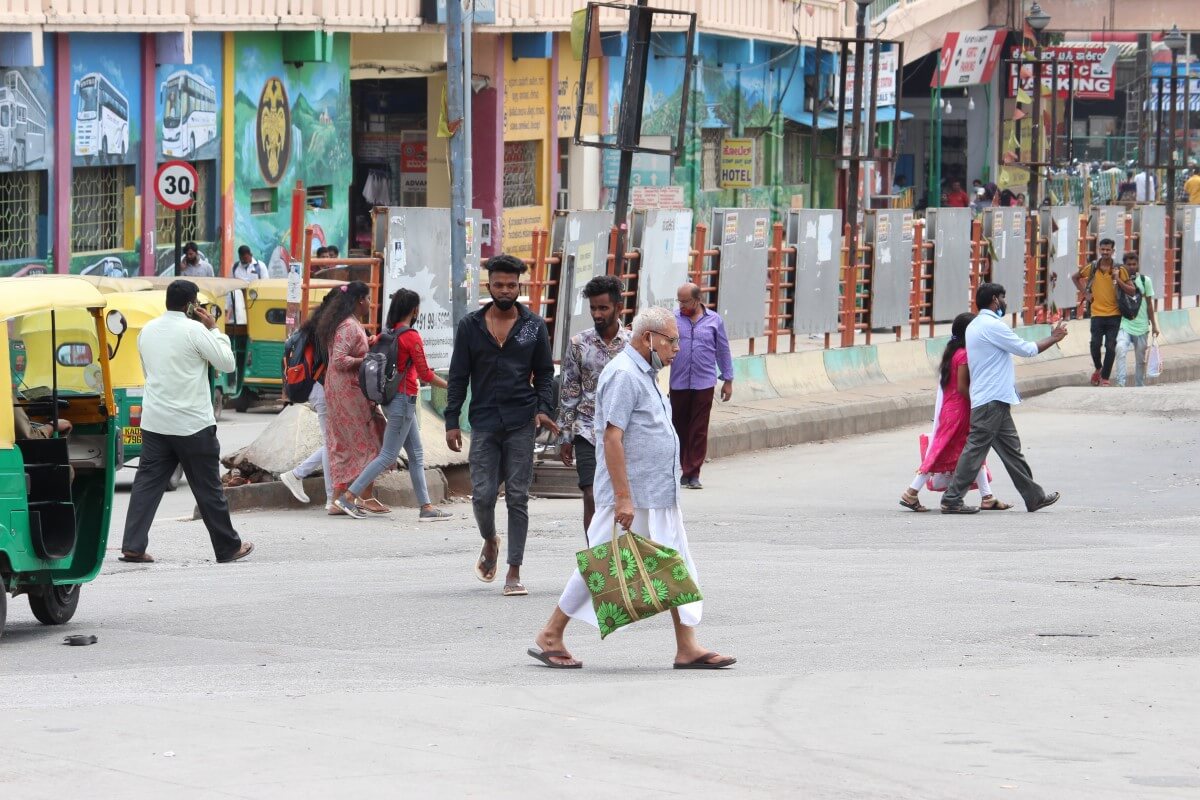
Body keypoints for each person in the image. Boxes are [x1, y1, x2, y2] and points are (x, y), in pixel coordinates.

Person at [527, 306, 736, 670]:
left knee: (676, 565)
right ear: (648, 338)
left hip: (656, 494)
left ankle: (687, 646)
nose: (677, 348)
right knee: (603, 566)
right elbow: (611, 438)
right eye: (672, 341)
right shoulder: (624, 374)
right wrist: (623, 497)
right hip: (631, 496)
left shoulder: (645, 374)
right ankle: (550, 633)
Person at [445, 253, 558, 596]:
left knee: (518, 498)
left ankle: (514, 571)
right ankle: (489, 540)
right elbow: (458, 376)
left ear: (519, 286)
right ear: (489, 285)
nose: (505, 290)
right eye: (498, 284)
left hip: (521, 421)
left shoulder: (533, 326)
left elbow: (545, 374)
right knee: (481, 496)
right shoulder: (471, 326)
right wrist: (451, 420)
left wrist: (543, 408)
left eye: (511, 285)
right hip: (483, 422)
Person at [119, 280, 254, 563]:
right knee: (208, 488)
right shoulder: (195, 331)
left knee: (146, 485)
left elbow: (149, 371)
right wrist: (215, 329)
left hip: (156, 423)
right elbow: (227, 363)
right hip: (192, 424)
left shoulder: (147, 332)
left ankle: (132, 545)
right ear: (191, 305)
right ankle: (228, 547)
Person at [940, 283, 1067, 515]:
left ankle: (1034, 497)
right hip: (991, 399)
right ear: (995, 300)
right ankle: (952, 498)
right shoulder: (992, 326)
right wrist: (1054, 338)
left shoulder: (976, 325)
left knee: (1012, 450)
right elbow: (1027, 349)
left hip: (993, 398)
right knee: (975, 449)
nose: (1005, 302)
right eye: (1003, 297)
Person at [339, 288, 453, 522]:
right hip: (403, 401)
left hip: (394, 402)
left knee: (416, 454)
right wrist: (451, 387)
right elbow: (425, 374)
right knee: (388, 454)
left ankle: (426, 507)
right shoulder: (411, 337)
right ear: (414, 310)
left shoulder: (386, 334)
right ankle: (349, 497)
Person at [899, 313, 1010, 512]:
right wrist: (978, 403)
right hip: (961, 411)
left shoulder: (952, 353)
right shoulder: (965, 355)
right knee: (945, 452)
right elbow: (962, 387)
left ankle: (987, 496)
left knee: (973, 451)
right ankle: (911, 492)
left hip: (951, 410)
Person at [557, 275, 632, 533]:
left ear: (618, 308)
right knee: (591, 494)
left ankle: (623, 555)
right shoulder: (579, 344)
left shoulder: (634, 344)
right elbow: (569, 392)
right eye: (593, 308)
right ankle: (595, 558)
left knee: (623, 496)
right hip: (588, 431)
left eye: (603, 308)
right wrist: (565, 436)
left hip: (625, 433)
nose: (597, 314)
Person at [320, 281, 387, 518]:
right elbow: (340, 360)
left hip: (347, 390)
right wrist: (368, 359)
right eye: (369, 298)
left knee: (349, 445)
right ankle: (353, 498)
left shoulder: (349, 323)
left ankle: (343, 499)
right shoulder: (348, 325)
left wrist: (365, 348)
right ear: (360, 300)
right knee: (365, 444)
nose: (371, 303)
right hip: (346, 391)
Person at [671, 282, 733, 490]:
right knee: (678, 427)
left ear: (697, 300)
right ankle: (682, 466)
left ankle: (692, 472)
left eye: (685, 301)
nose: (681, 306)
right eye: (679, 301)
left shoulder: (714, 321)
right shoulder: (673, 319)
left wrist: (728, 380)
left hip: (704, 382)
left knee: (698, 429)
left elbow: (723, 351)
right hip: (678, 382)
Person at [279, 292, 336, 511]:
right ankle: (330, 497)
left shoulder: (313, 325)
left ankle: (299, 476)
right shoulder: (325, 329)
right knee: (331, 443)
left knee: (331, 442)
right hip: (319, 389)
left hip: (313, 388)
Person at [1072, 239, 1133, 387]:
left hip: (1115, 314)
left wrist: (1118, 279)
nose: (1105, 252)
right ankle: (1098, 368)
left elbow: (1132, 290)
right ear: (1099, 250)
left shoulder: (1120, 269)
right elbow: (1075, 277)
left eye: (1108, 250)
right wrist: (1085, 293)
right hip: (1097, 314)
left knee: (1111, 346)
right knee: (1095, 344)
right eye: (1103, 249)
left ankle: (1105, 378)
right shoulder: (1092, 267)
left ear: (1113, 251)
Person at [1115, 252, 1160, 388]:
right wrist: (1117, 279)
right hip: (1125, 323)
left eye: (1134, 264)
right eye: (1128, 264)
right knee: (1120, 348)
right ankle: (1120, 383)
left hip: (1141, 327)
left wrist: (1154, 325)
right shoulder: (1118, 280)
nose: (1131, 267)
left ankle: (1139, 385)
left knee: (1140, 359)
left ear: (1138, 265)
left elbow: (1150, 305)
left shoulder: (1145, 281)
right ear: (1124, 265)